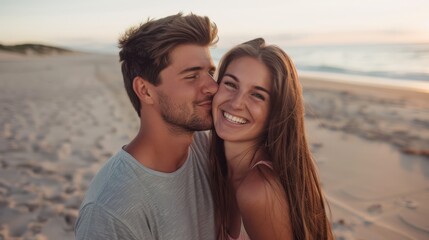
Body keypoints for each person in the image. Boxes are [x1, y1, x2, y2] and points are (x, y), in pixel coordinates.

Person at [75, 13, 219, 240]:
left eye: (210, 72)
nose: (212, 87)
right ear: (145, 90)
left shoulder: (206, 148)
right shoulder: (109, 211)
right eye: (192, 76)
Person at [209, 38, 333, 239]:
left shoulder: (259, 190)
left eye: (257, 95)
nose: (237, 103)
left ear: (275, 112)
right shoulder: (212, 165)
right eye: (231, 84)